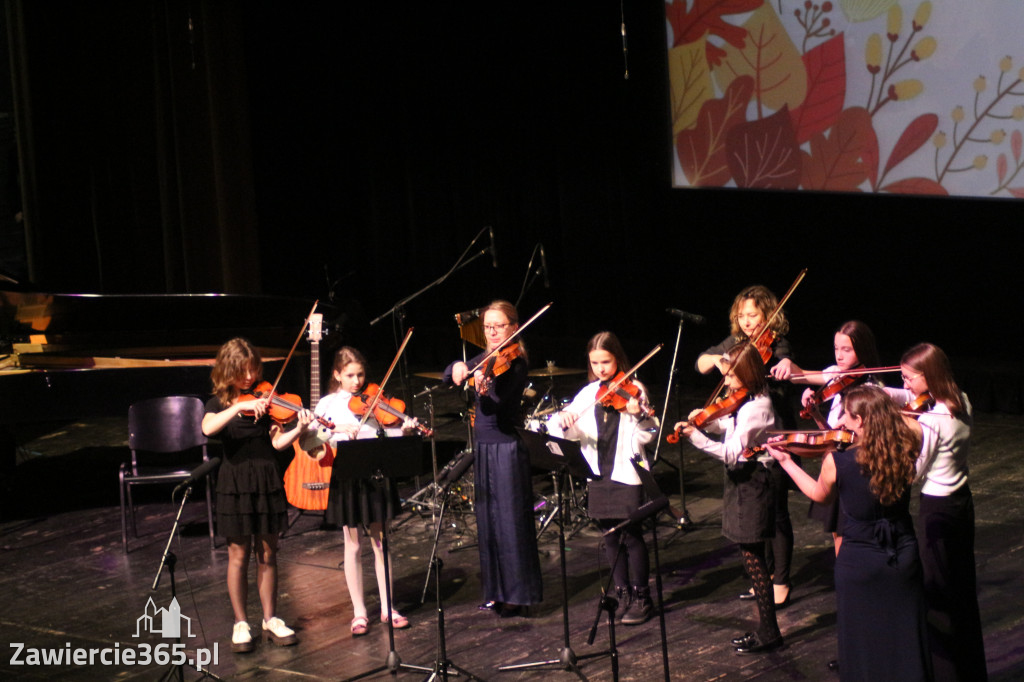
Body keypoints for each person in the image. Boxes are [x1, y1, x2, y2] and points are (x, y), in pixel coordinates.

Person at [767, 385, 930, 681]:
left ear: (862, 420)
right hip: (902, 556)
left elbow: (819, 495)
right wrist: (885, 413)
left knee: (862, 640)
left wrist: (787, 462)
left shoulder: (837, 462)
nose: (840, 421)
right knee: (904, 635)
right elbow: (911, 425)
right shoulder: (908, 449)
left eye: (846, 415)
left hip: (860, 561)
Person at [201, 338, 311, 653]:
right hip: (234, 481)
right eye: (242, 370)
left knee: (268, 553)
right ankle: (240, 622)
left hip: (265, 478)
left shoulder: (266, 401)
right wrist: (239, 405)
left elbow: (277, 443)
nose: (250, 376)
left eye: (253, 369)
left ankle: (270, 618)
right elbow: (208, 429)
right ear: (228, 370)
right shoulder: (219, 403)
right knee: (238, 555)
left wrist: (298, 430)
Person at [885, 343, 987, 681]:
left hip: (936, 510)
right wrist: (883, 393)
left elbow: (913, 473)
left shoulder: (932, 420)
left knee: (938, 594)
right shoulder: (962, 400)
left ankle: (946, 674)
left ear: (928, 376)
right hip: (962, 503)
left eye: (908, 378)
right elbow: (906, 397)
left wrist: (898, 438)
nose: (906, 385)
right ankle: (972, 670)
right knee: (961, 588)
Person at [676, 341, 782, 654]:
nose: (728, 382)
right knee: (750, 557)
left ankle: (770, 631)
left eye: (733, 376)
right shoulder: (747, 399)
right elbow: (730, 423)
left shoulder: (758, 408)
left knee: (754, 559)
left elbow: (731, 454)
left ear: (749, 373)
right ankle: (768, 629)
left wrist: (697, 437)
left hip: (753, 481)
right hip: (742, 481)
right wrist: (709, 420)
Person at [696, 285, 797, 607]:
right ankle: (764, 576)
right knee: (758, 515)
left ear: (768, 314)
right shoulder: (738, 343)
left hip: (774, 437)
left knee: (777, 513)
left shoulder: (778, 345)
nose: (747, 321)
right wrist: (719, 359)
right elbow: (701, 364)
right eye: (742, 315)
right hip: (746, 436)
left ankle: (781, 579)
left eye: (753, 315)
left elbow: (783, 372)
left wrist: (784, 368)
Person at [444, 300, 542, 616]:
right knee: (488, 523)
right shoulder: (487, 357)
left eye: (498, 326)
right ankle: (495, 591)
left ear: (514, 327)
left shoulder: (516, 362)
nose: (492, 332)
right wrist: (456, 369)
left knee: (511, 524)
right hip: (484, 448)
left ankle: (518, 593)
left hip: (506, 448)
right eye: (487, 327)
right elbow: (452, 375)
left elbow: (499, 404)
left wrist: (485, 390)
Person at [310, 346, 417, 637]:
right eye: (349, 375)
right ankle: (359, 612)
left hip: (376, 475)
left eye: (360, 375)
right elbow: (310, 440)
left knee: (380, 543)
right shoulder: (329, 404)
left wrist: (404, 430)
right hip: (347, 477)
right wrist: (335, 430)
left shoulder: (373, 401)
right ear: (337, 375)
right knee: (353, 545)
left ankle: (388, 607)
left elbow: (388, 431)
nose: (357, 382)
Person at [556, 332, 658, 625]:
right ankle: (622, 593)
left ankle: (642, 597)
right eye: (595, 362)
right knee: (610, 537)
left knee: (632, 536)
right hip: (598, 474)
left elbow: (647, 436)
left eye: (606, 361)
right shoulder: (589, 394)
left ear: (617, 359)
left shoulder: (634, 389)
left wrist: (640, 416)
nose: (601, 368)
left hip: (626, 474)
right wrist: (565, 419)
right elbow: (573, 430)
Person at [788, 320, 881, 555]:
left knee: (848, 541)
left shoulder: (871, 389)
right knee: (837, 536)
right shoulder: (836, 378)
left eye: (846, 350)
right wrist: (816, 413)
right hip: (837, 465)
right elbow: (834, 435)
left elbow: (866, 441)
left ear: (862, 350)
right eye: (836, 348)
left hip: (856, 470)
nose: (839, 356)